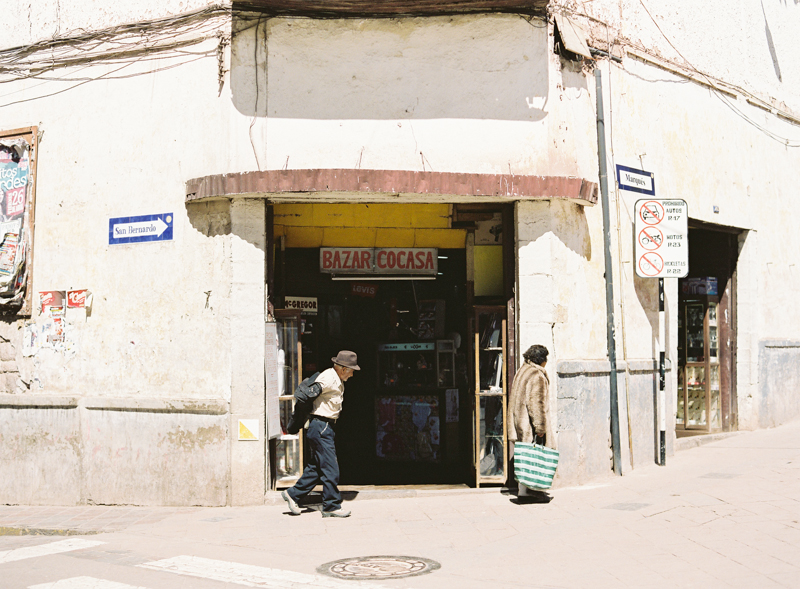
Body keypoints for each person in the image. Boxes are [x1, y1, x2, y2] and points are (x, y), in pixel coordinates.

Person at [282, 350, 359, 518]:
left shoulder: (336, 378)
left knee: (317, 468)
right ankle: (331, 505)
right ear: (343, 368)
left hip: (324, 427)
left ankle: (293, 494)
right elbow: (305, 395)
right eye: (351, 370)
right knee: (331, 468)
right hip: (321, 426)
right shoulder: (328, 378)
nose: (352, 374)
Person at [507, 344, 553, 497]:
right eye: (545, 359)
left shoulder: (522, 371)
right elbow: (536, 404)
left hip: (519, 423)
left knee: (524, 457)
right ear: (541, 360)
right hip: (528, 425)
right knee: (533, 458)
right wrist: (540, 428)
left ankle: (523, 490)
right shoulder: (536, 375)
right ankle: (529, 490)